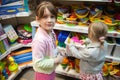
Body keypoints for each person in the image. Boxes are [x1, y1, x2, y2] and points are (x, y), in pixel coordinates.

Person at [32, 1, 64, 80]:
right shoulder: (39, 40)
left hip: (50, 69)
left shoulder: (51, 31)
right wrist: (56, 60)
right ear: (38, 19)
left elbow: (52, 47)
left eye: (52, 16)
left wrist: (59, 51)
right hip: (43, 74)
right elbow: (38, 63)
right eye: (45, 17)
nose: (49, 20)